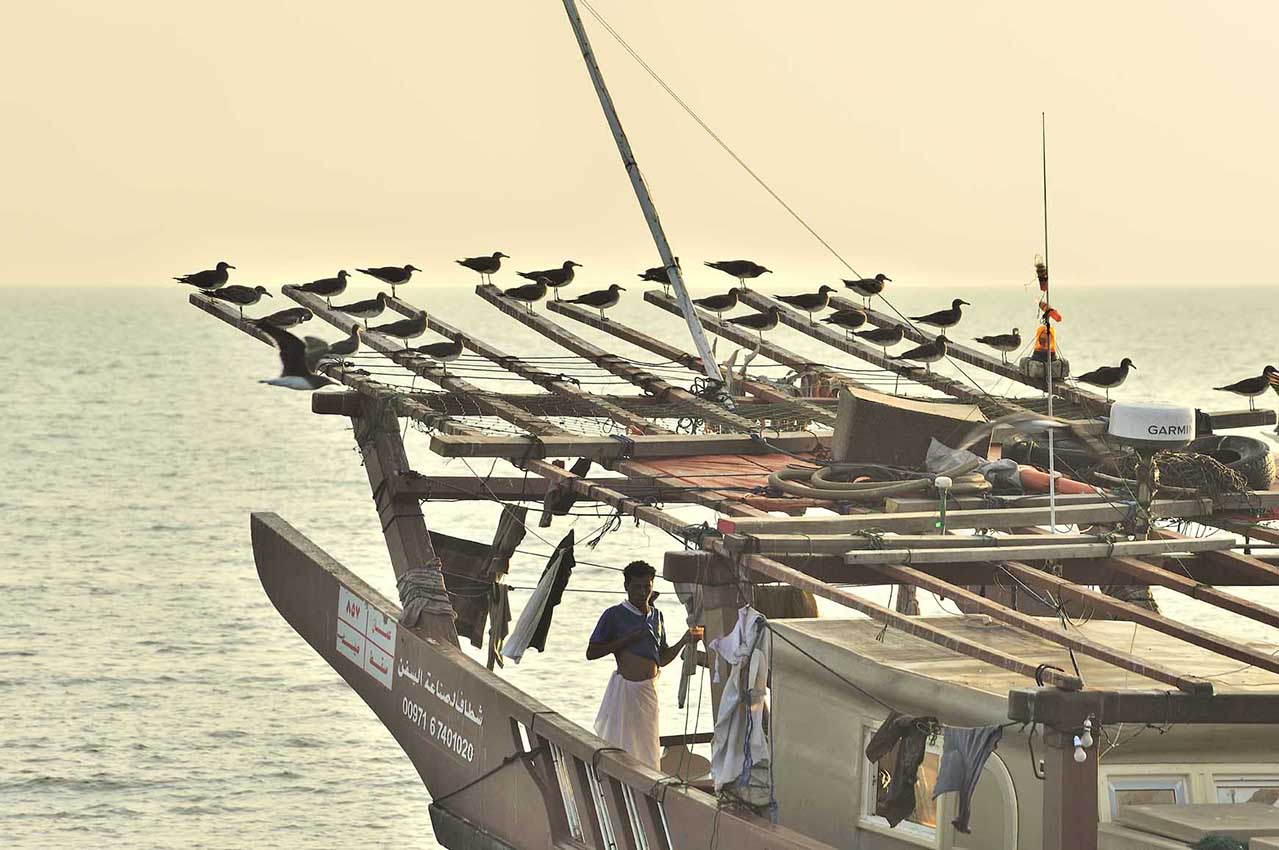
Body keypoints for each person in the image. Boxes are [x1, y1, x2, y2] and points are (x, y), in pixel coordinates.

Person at [586, 560, 703, 770]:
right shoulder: (614, 615)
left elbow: (662, 658)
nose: (642, 592)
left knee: (648, 749)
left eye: (646, 587)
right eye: (637, 587)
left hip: (648, 691)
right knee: (621, 747)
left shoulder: (656, 616)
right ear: (626, 587)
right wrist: (625, 641)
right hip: (626, 691)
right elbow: (592, 652)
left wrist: (684, 641)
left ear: (652, 586)